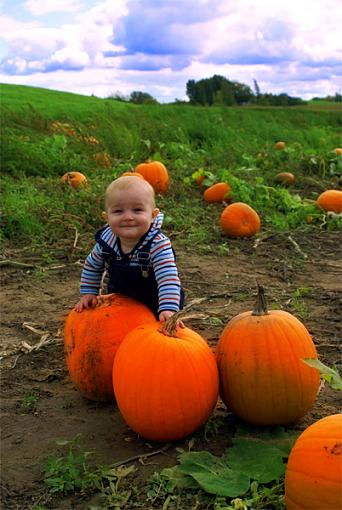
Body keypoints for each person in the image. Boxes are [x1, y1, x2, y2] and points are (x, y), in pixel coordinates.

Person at [75, 175, 185, 323]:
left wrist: (168, 308)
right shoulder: (105, 244)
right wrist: (89, 293)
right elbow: (92, 266)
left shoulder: (158, 245)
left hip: (155, 301)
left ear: (153, 216)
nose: (128, 217)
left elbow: (167, 278)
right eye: (118, 211)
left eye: (137, 210)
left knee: (151, 335)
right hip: (121, 300)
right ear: (106, 217)